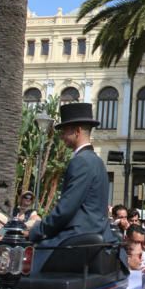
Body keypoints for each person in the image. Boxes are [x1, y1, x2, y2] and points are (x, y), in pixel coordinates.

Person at [28, 103, 116, 271]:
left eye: (64, 131)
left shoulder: (81, 161)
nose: (61, 136)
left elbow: (66, 209)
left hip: (79, 234)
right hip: (93, 232)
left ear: (77, 131)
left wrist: (36, 230)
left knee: (30, 261)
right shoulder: (96, 160)